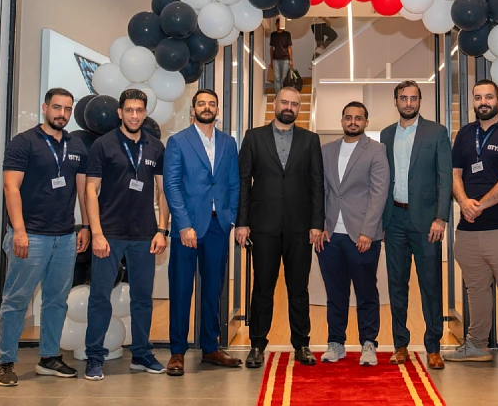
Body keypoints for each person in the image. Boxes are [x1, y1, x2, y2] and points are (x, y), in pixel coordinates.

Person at [0, 88, 90, 387]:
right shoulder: (24, 143)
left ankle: (49, 358)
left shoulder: (76, 145)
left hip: (64, 238)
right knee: (17, 300)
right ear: (45, 108)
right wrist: (19, 231)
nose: (62, 113)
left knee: (56, 301)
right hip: (30, 236)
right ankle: (5, 362)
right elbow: (11, 188)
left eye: (67, 109)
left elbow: (83, 190)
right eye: (57, 108)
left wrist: (85, 226)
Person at [83, 88, 169, 381]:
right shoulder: (103, 145)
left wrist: (162, 229)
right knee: (100, 296)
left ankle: (142, 353)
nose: (134, 115)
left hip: (145, 234)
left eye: (139, 110)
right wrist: (96, 233)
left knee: (143, 298)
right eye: (129, 110)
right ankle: (94, 356)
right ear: (120, 112)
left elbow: (163, 190)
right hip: (109, 233)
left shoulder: (155, 146)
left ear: (145, 113)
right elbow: (90, 191)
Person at [446, 79, 498, 374]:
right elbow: (454, 174)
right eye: (478, 97)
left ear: (497, 99)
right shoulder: (465, 134)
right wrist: (464, 201)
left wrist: (479, 204)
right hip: (468, 230)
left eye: (489, 97)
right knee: (476, 291)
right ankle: (477, 345)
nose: (483, 102)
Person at [236, 86, 324, 368]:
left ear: (299, 108)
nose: (289, 107)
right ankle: (257, 345)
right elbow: (243, 184)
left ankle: (302, 344)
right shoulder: (253, 137)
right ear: (275, 104)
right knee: (263, 288)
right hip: (263, 226)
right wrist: (243, 222)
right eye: (284, 102)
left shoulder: (310, 140)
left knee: (299, 288)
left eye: (294, 104)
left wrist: (316, 224)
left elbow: (317, 185)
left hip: (300, 227)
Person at [163, 89, 243, 376]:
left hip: (217, 227)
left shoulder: (228, 142)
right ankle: (177, 352)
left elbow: (234, 183)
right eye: (201, 104)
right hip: (187, 227)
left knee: (213, 290)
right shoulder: (178, 141)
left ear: (217, 110)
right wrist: (182, 225)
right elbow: (171, 186)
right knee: (182, 290)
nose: (207, 108)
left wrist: (230, 217)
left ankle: (211, 348)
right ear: (192, 109)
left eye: (211, 104)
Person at [379, 80, 451, 370]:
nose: (408, 103)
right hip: (393, 219)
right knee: (397, 285)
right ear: (395, 101)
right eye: (403, 98)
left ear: (420, 101)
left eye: (413, 98)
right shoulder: (385, 135)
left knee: (431, 285)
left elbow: (444, 177)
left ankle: (433, 347)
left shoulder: (436, 132)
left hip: (426, 222)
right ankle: (400, 345)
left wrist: (440, 217)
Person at [316, 102, 390, 366]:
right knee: (335, 293)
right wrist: (319, 224)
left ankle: (368, 343)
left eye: (359, 118)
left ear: (366, 122)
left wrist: (368, 231)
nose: (353, 122)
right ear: (342, 121)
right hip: (329, 235)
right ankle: (336, 343)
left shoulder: (377, 150)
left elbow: (378, 192)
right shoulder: (326, 151)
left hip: (362, 235)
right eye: (348, 117)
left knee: (366, 291)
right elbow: (320, 190)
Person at [269, 18, 293, 92]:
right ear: (275, 24)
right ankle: (278, 95)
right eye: (278, 23)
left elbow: (289, 47)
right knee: (277, 78)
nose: (279, 25)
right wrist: (271, 60)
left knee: (284, 78)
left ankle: (283, 94)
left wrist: (291, 59)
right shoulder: (273, 35)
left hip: (286, 58)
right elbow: (271, 48)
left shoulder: (287, 34)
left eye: (280, 24)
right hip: (276, 58)